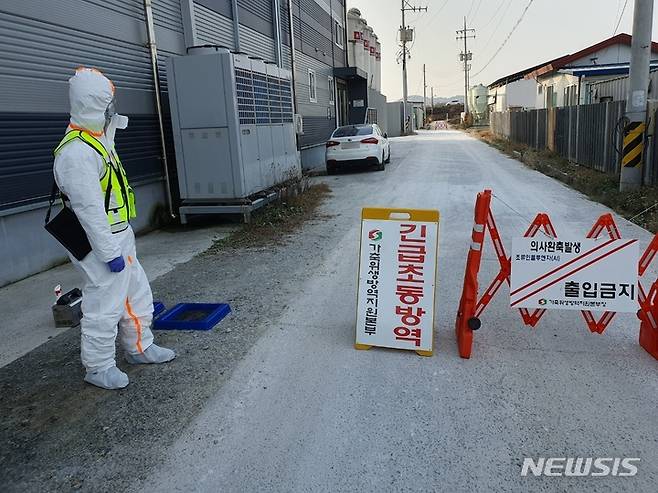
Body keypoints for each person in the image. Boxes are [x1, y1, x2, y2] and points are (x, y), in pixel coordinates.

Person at [53, 67, 175, 390]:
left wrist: (120, 244)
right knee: (104, 303)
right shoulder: (76, 154)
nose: (113, 111)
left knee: (136, 293)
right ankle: (98, 367)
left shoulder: (97, 138)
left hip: (119, 234)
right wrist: (109, 253)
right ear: (93, 107)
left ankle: (140, 346)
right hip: (99, 242)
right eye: (107, 105)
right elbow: (90, 212)